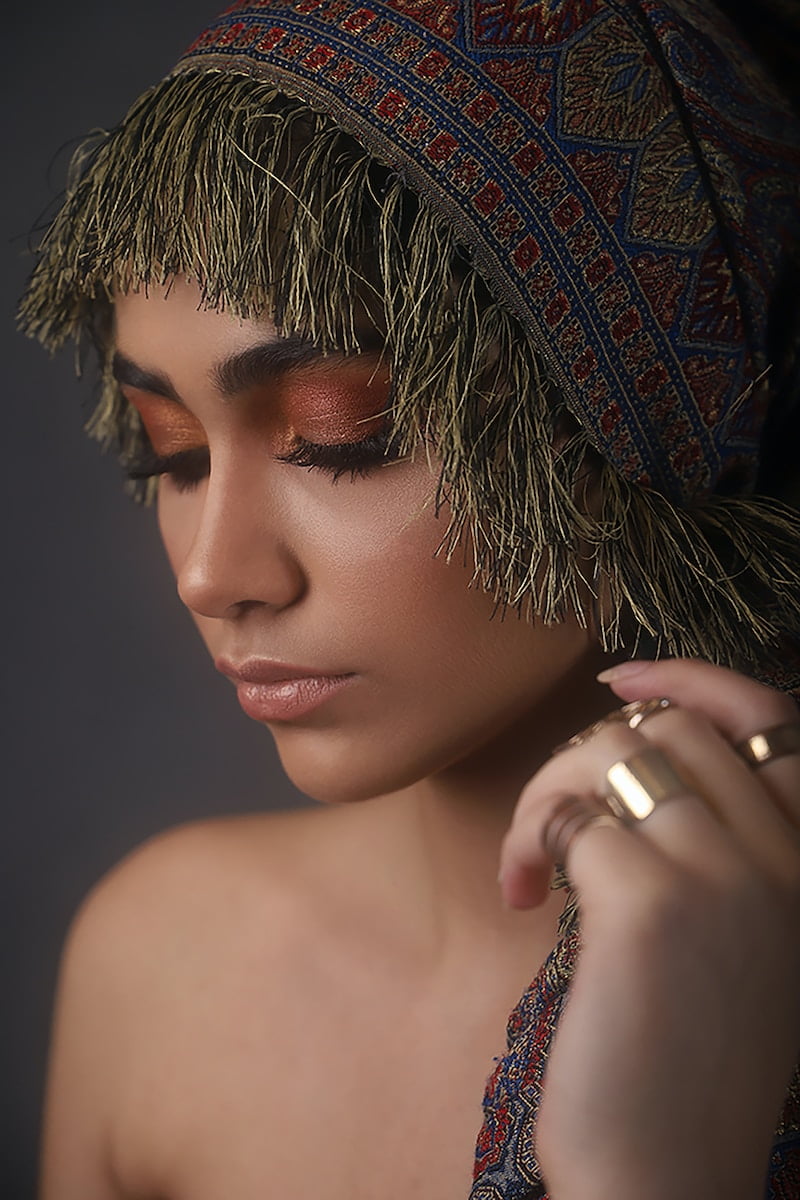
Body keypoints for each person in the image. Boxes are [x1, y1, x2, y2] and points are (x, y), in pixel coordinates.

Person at [19, 0, 800, 1197]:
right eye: (170, 453)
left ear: (638, 411)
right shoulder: (157, 963)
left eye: (339, 438)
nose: (212, 574)